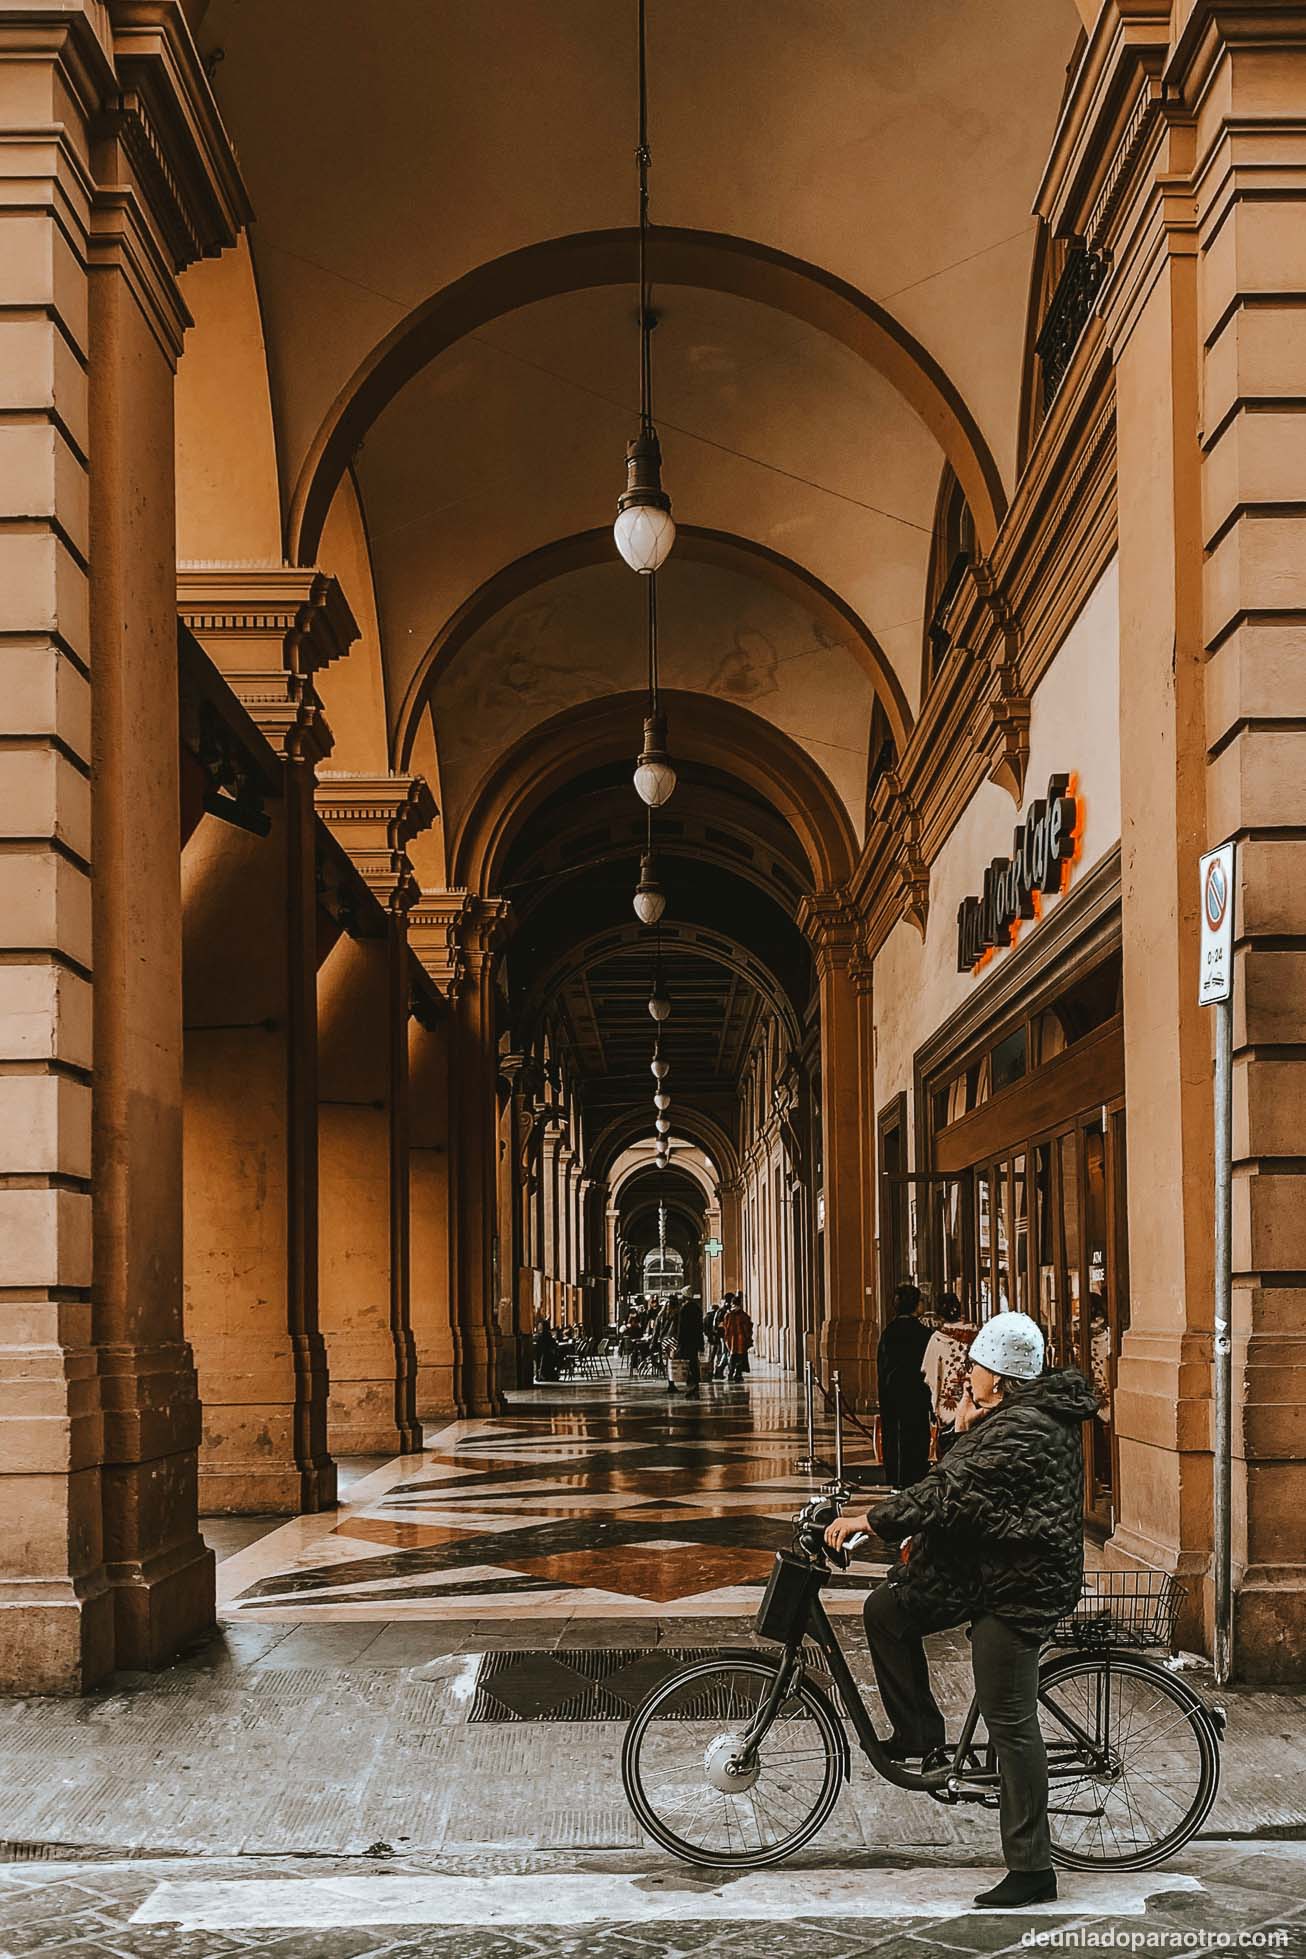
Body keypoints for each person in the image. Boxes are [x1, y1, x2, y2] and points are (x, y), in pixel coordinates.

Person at [826, 1310, 1100, 1911]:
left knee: (1010, 1721)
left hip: (1019, 1587)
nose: (967, 1374)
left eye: (975, 1365)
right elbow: (964, 1478)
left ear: (999, 1378)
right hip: (987, 1570)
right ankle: (921, 1731)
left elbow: (948, 1492)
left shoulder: (1024, 1427)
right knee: (887, 1610)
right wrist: (965, 1426)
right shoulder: (1012, 1418)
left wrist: (868, 1520)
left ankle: (1032, 1868)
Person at [876, 1281, 932, 1487]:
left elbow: (882, 1366)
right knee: (916, 1435)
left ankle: (895, 1476)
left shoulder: (888, 1333)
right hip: (916, 1394)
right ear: (916, 1305)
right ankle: (914, 1475)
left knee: (892, 1435)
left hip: (892, 1393)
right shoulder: (923, 1334)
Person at [920, 1292, 978, 1458]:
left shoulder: (937, 1339)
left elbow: (928, 1373)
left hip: (948, 1403)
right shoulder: (975, 1333)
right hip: (973, 1398)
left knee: (949, 1449)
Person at [675, 1291, 704, 1395]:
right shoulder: (697, 1308)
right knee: (693, 1362)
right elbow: (700, 1327)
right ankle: (695, 1383)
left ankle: (691, 1385)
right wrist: (701, 1343)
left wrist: (679, 1342)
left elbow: (681, 1328)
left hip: (686, 1341)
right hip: (695, 1341)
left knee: (688, 1364)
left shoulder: (684, 1309)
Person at [719, 1293, 753, 1382]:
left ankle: (730, 1373)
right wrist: (748, 1338)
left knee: (732, 1357)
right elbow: (747, 1329)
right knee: (741, 1358)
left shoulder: (728, 1315)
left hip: (731, 1340)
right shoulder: (743, 1316)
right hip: (741, 1340)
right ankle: (738, 1374)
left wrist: (726, 1338)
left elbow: (725, 1328)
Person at [532, 1313, 561, 1384]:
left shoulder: (541, 1336)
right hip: (549, 1356)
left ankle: (540, 1375)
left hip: (544, 1356)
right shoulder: (548, 1336)